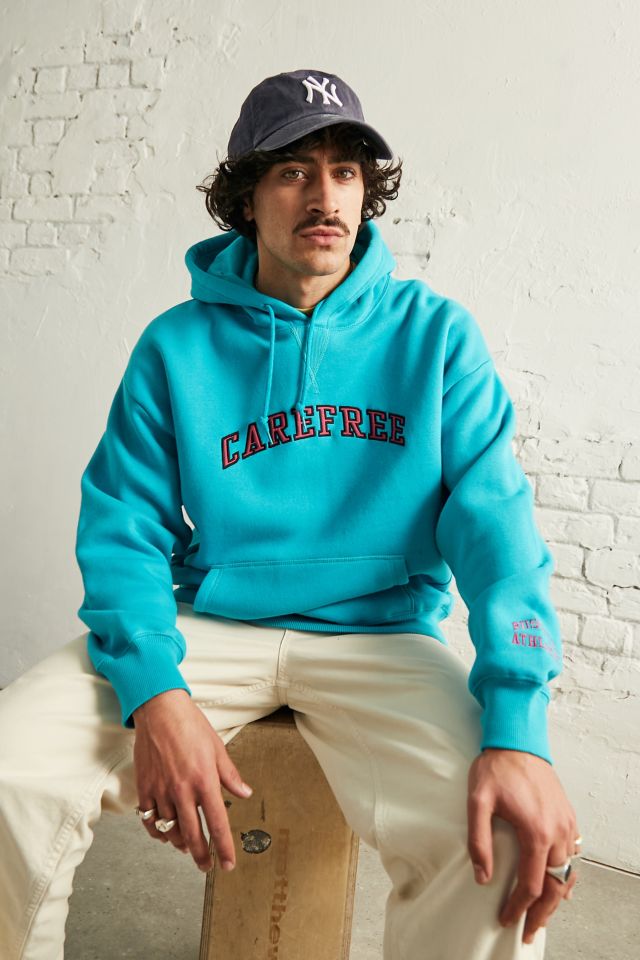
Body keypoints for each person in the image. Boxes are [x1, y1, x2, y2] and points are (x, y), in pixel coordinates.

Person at [0, 68, 581, 959]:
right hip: (212, 624)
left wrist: (520, 730)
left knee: (503, 839)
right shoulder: (176, 345)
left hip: (381, 636)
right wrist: (157, 692)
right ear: (245, 199)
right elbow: (124, 527)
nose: (325, 196)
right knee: (9, 772)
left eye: (345, 171)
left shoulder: (435, 337)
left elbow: (499, 534)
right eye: (293, 171)